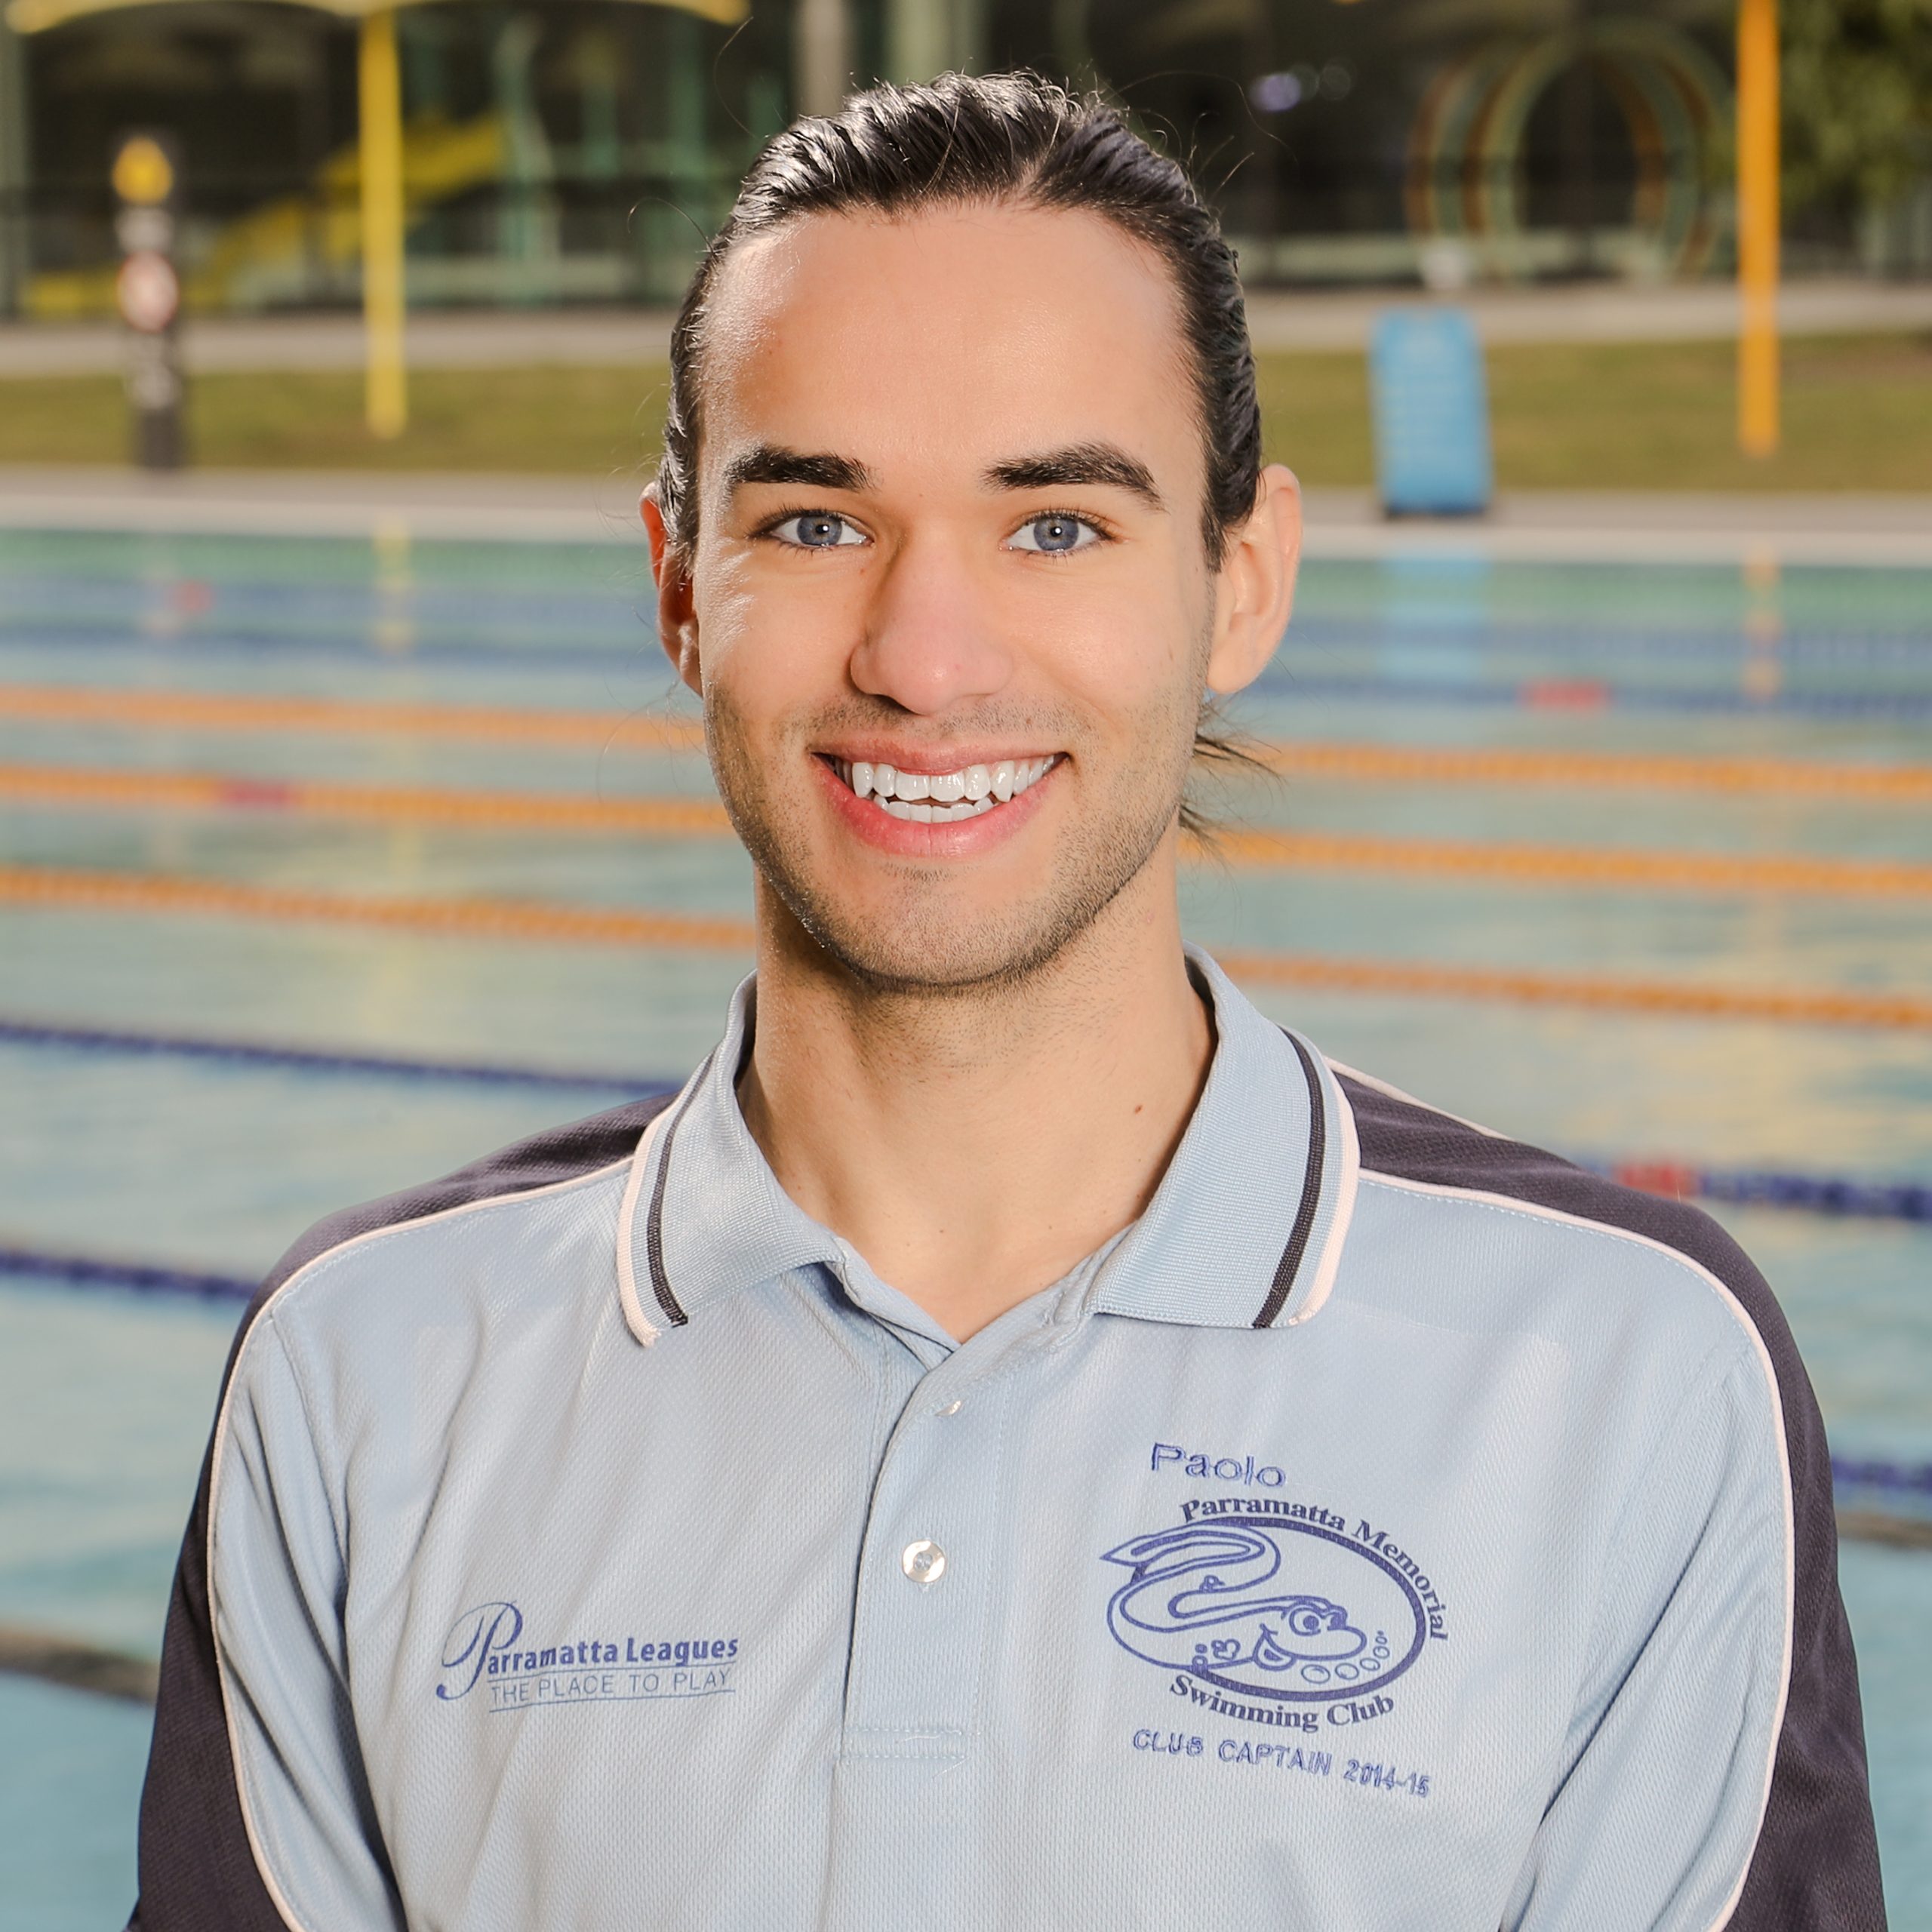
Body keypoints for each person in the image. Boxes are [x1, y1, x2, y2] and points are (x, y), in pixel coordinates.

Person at [130, 72, 1882, 1931]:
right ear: (674, 581)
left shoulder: (1612, 1374)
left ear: (1241, 581)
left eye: (1054, 524)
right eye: (813, 523)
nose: (923, 656)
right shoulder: (368, 1376)